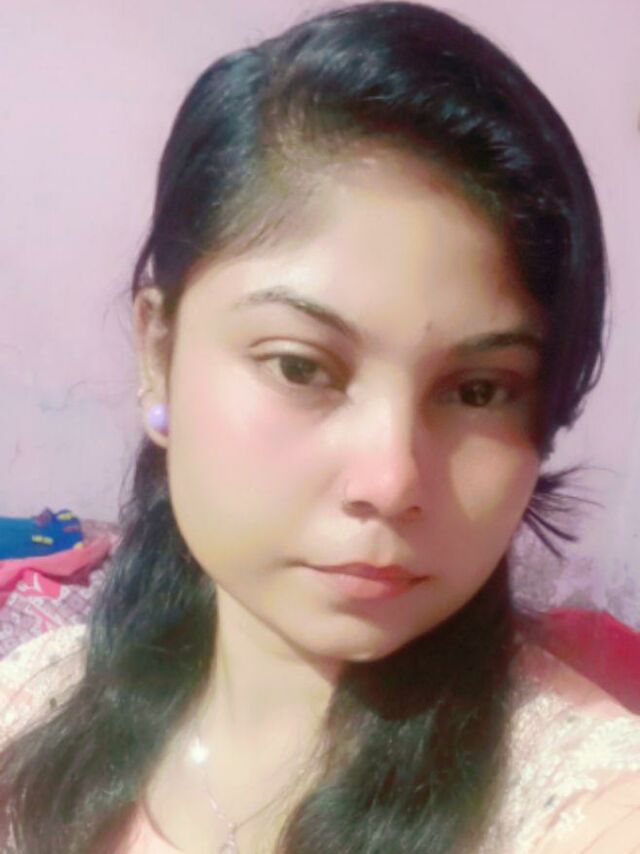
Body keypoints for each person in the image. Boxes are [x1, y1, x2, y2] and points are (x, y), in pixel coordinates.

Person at [1, 2, 639, 852]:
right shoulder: (35, 706)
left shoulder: (589, 814)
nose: (390, 481)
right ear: (159, 351)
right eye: (301, 368)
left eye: (480, 390)